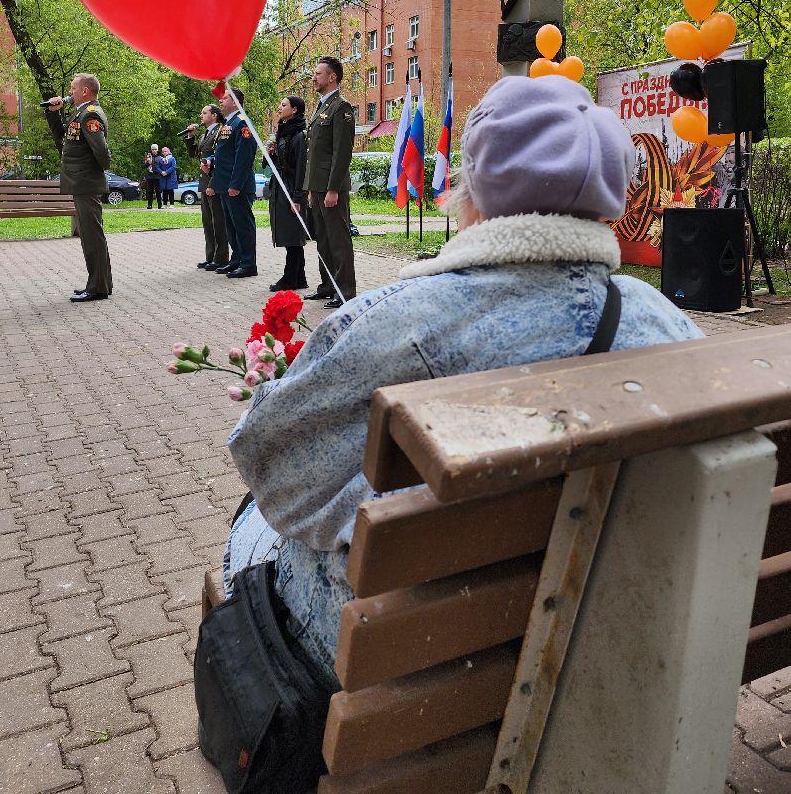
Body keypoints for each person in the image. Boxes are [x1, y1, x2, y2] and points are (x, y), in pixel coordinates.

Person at [223, 75, 705, 690]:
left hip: (429, 653)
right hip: (603, 624)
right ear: (609, 197)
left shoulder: (397, 319)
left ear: (472, 193)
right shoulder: (667, 322)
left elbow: (273, 470)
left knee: (253, 523)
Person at [46, 73, 113, 302]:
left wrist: (94, 172)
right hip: (82, 182)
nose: (69, 92)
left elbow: (102, 152)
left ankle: (97, 288)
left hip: (86, 182)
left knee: (92, 236)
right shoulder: (80, 113)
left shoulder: (90, 114)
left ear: (85, 91)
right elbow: (62, 138)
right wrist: (53, 113)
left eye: (73, 88)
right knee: (91, 235)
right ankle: (101, 284)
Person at [303, 56, 356, 309]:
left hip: (331, 187)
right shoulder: (321, 106)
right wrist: (311, 188)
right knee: (323, 240)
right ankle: (327, 285)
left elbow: (341, 153)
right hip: (318, 186)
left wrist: (333, 188)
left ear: (332, 77)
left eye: (318, 73)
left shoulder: (341, 107)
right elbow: (314, 153)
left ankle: (345, 291)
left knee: (338, 240)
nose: (314, 77)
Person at [206, 86, 257, 279]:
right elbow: (225, 153)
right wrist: (210, 162)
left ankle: (248, 264)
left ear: (235, 102)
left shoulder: (242, 122)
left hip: (237, 186)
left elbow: (244, 156)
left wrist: (235, 184)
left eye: (225, 98)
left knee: (243, 226)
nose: (220, 101)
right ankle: (237, 259)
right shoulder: (228, 123)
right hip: (225, 184)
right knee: (231, 226)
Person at [268, 95, 308, 291]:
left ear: (294, 110)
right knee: (290, 235)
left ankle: (290, 278)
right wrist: (272, 153)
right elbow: (281, 162)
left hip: (291, 189)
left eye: (284, 105)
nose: (279, 107)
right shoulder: (283, 132)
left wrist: (298, 197)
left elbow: (301, 167)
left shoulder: (299, 135)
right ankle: (299, 277)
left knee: (293, 235)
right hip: (281, 187)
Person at [184, 104, 230, 270]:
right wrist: (190, 137)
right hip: (205, 182)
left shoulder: (220, 131)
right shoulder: (206, 133)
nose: (201, 115)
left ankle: (221, 257)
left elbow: (220, 159)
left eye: (204, 113)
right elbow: (194, 155)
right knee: (208, 222)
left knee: (218, 221)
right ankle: (210, 256)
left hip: (214, 182)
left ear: (214, 115)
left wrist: (213, 184)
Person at [144, 144, 162, 209]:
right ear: (151, 150)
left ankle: (160, 204)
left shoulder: (160, 157)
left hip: (158, 176)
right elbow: (143, 166)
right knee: (150, 191)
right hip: (150, 176)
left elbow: (162, 166)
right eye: (152, 149)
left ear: (157, 150)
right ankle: (149, 205)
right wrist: (148, 163)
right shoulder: (148, 157)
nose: (154, 150)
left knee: (158, 191)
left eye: (155, 149)